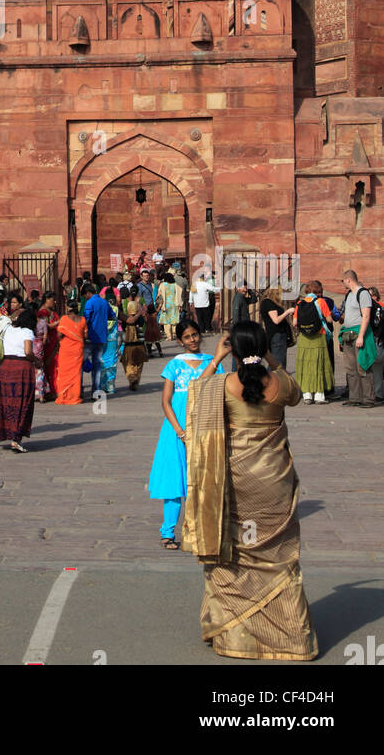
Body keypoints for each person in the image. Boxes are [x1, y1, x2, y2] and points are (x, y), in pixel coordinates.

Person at [182, 322, 318, 661]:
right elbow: (298, 394)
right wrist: (272, 359)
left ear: (235, 349)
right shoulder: (281, 384)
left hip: (236, 481)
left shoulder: (220, 385)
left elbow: (194, 401)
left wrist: (216, 358)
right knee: (279, 559)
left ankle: (237, 638)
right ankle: (290, 641)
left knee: (236, 553)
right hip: (274, 483)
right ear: (263, 346)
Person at [147, 318, 226, 548]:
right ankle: (168, 531)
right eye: (187, 337)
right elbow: (166, 402)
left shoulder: (213, 363)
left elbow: (217, 395)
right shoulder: (174, 365)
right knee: (174, 481)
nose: (192, 340)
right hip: (175, 430)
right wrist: (180, 431)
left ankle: (201, 530)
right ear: (180, 341)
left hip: (204, 428)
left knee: (203, 481)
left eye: (195, 335)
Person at [0, 298, 37, 452]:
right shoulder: (27, 332)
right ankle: (16, 438)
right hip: (22, 368)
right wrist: (38, 361)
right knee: (22, 403)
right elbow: (28, 352)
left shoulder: (8, 330)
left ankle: (4, 432)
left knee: (6, 401)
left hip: (6, 368)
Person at [339, 269, 376, 407]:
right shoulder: (349, 295)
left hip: (359, 334)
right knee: (351, 368)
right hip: (348, 334)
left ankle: (368, 399)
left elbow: (366, 316)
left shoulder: (363, 293)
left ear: (348, 280)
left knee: (363, 366)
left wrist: (361, 336)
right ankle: (355, 397)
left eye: (343, 281)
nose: (343, 283)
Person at [292, 280, 334, 404]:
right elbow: (329, 320)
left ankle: (307, 394)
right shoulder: (321, 302)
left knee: (306, 365)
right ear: (318, 291)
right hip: (318, 336)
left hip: (305, 338)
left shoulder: (300, 303)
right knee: (319, 364)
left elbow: (295, 323)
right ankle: (319, 395)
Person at [54, 300, 86, 404]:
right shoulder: (82, 320)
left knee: (64, 373)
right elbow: (86, 335)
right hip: (77, 350)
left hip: (66, 350)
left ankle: (64, 396)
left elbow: (59, 336)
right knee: (75, 374)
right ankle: (74, 397)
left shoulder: (63, 319)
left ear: (68, 308)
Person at [83, 280, 109, 398]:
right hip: (101, 337)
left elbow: (86, 319)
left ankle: (79, 390)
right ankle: (96, 391)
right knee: (97, 365)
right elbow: (112, 315)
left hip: (90, 338)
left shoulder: (89, 303)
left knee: (81, 363)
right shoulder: (104, 303)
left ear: (88, 293)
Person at [259, 286, 293, 369]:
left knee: (275, 361)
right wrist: (287, 312)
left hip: (277, 335)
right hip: (277, 335)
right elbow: (276, 320)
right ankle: (276, 380)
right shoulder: (268, 303)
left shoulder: (269, 302)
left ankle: (273, 379)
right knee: (278, 363)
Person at [120, 287, 147, 390]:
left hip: (129, 343)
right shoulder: (140, 317)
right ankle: (136, 379)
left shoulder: (126, 317)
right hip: (140, 343)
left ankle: (132, 379)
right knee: (139, 364)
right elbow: (146, 321)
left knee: (128, 363)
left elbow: (125, 324)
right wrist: (141, 313)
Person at [40, 294, 61, 399]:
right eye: (53, 300)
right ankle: (50, 391)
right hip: (47, 342)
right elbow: (46, 326)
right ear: (47, 300)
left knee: (55, 366)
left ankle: (55, 390)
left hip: (54, 341)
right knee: (50, 367)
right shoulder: (43, 312)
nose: (55, 302)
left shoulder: (52, 311)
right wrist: (59, 322)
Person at [100, 290, 121, 394]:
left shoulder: (102, 310)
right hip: (113, 339)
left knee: (102, 361)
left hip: (103, 338)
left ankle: (102, 385)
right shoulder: (116, 310)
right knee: (112, 361)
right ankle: (110, 386)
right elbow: (128, 320)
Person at [156, 271, 181, 342]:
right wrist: (179, 304)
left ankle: (169, 336)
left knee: (166, 321)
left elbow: (159, 294)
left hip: (165, 305)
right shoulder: (175, 285)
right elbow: (179, 294)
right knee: (174, 320)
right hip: (174, 304)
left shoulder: (162, 285)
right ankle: (174, 333)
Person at [191, 270, 214, 334]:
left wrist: (190, 301)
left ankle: (201, 329)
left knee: (199, 317)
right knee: (206, 317)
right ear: (203, 278)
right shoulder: (205, 284)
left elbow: (191, 293)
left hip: (197, 304)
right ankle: (207, 328)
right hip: (205, 304)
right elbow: (212, 289)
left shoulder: (194, 284)